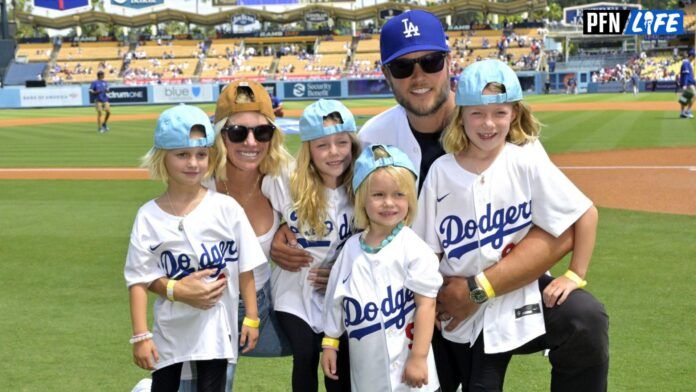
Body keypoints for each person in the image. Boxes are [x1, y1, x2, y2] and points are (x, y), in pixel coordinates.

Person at [357, 10, 608, 392]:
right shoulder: (373, 137)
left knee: (583, 318)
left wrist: (479, 288)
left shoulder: (512, 137)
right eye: (404, 67)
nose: (419, 76)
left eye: (430, 61)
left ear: (448, 63)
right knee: (355, 336)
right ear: (386, 73)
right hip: (420, 297)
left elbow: (564, 226)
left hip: (507, 281)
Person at [412, 59, 599, 391]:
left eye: (500, 112)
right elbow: (426, 249)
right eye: (477, 113)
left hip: (516, 295)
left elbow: (585, 213)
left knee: (587, 317)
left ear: (515, 113)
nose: (488, 124)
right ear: (461, 115)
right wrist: (429, 304)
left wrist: (575, 274)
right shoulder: (441, 171)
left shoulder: (524, 159)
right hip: (462, 313)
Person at [152, 81, 293, 392]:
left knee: (327, 337)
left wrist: (292, 230)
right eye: (238, 132)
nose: (252, 142)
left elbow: (329, 218)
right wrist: (176, 290)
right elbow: (147, 268)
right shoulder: (198, 184)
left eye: (262, 132)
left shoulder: (281, 178)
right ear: (219, 135)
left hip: (263, 305)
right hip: (206, 304)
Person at [124, 104, 264, 391]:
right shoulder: (148, 216)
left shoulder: (226, 208)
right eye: (182, 155)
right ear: (162, 158)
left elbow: (245, 266)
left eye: (201, 154)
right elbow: (138, 279)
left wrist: (251, 316)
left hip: (217, 326)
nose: (193, 163)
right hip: (171, 328)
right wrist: (140, 336)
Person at [321, 145, 442, 391]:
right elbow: (335, 300)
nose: (389, 203)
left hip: (410, 372)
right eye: (378, 195)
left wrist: (418, 357)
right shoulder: (351, 250)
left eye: (399, 194)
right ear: (361, 199)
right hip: (366, 372)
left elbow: (426, 305)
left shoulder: (414, 248)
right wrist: (330, 342)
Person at [262, 99, 360, 392]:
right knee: (304, 355)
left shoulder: (362, 187)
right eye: (322, 145)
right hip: (293, 291)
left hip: (340, 293)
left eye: (341, 142)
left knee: (338, 364)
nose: (333, 153)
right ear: (308, 150)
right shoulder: (287, 180)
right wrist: (275, 231)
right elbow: (250, 198)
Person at [678, 49, 695, 119]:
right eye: (694, 56)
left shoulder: (688, 63)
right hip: (688, 83)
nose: (694, 58)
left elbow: (690, 75)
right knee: (694, 95)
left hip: (690, 82)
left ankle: (683, 112)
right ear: (691, 56)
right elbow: (685, 75)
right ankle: (687, 111)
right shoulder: (686, 63)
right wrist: (684, 85)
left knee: (685, 98)